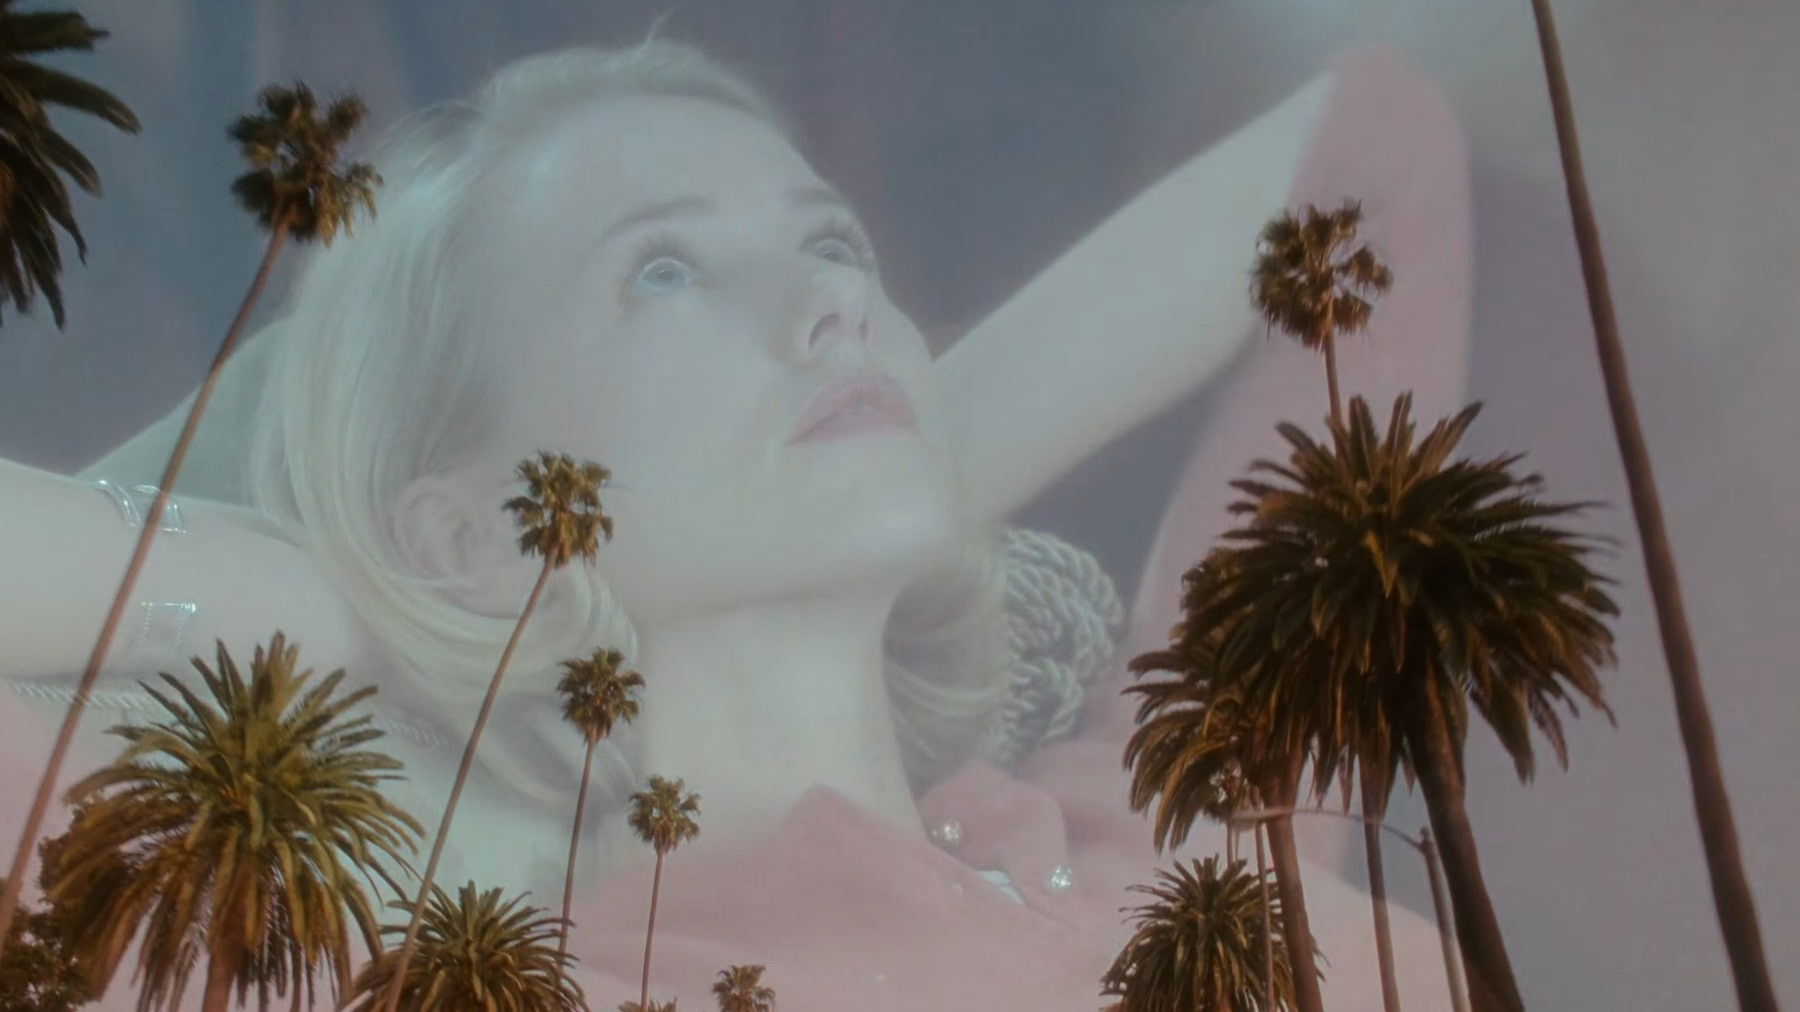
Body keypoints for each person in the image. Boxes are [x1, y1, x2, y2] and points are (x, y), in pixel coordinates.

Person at [0, 36, 1471, 1009]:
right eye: (662, 272)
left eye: (832, 242)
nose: (834, 298)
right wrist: (375, 605)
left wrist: (901, 457)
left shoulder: (1188, 815)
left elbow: (1373, 156)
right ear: (467, 528)